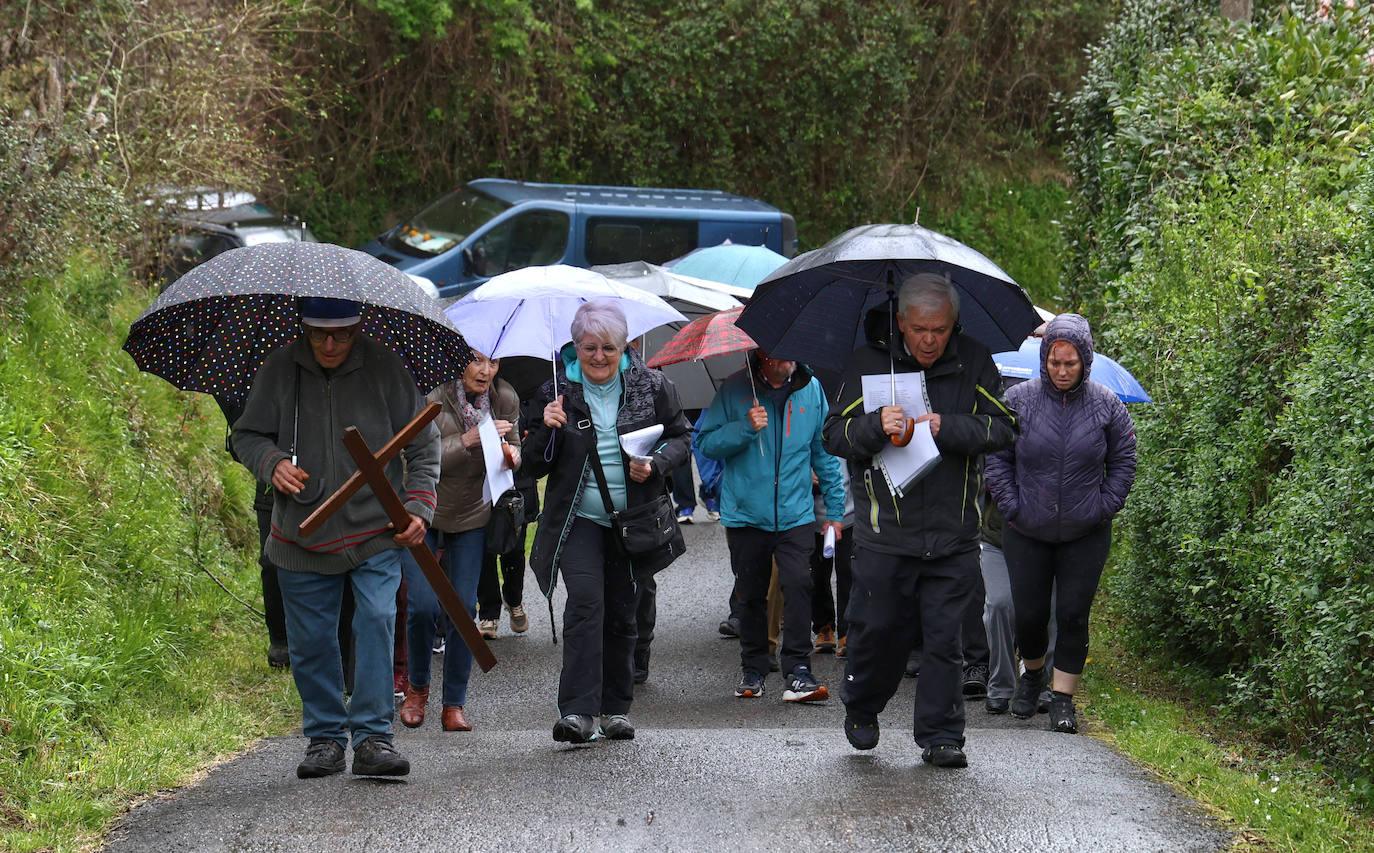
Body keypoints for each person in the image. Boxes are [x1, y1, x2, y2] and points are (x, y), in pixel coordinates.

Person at [232, 296, 439, 779]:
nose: (330, 344)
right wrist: (273, 463)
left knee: (376, 620)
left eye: (341, 334)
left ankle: (372, 739)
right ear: (303, 328)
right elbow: (246, 435)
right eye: (319, 334)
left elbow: (423, 445)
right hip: (300, 533)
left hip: (375, 529)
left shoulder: (387, 367)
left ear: (357, 328)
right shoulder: (280, 368)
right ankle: (325, 737)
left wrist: (418, 506)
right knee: (311, 641)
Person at [823, 272, 1017, 769]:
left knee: (945, 640)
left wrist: (945, 426)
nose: (930, 340)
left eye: (940, 329)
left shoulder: (974, 360)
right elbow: (834, 435)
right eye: (920, 329)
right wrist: (873, 425)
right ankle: (863, 704)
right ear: (902, 324)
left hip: (953, 535)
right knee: (879, 634)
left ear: (953, 325)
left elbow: (1003, 427)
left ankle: (942, 734)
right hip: (886, 534)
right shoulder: (868, 363)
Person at [525, 301, 691, 744]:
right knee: (584, 603)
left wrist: (655, 464)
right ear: (574, 348)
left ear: (626, 348)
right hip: (578, 518)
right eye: (589, 347)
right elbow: (532, 467)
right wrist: (547, 428)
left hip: (633, 519)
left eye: (608, 348)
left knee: (622, 611)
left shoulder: (652, 387)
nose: (598, 357)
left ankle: (616, 708)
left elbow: (682, 438)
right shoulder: (556, 392)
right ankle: (578, 711)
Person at [985, 313, 1137, 734]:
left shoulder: (1107, 404)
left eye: (1071, 363)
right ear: (1044, 360)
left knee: (1072, 614)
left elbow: (1124, 460)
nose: (1063, 371)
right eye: (1055, 363)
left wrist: (1104, 505)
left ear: (1085, 360)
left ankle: (1063, 700)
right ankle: (1032, 673)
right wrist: (1013, 506)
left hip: (1084, 532)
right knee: (1029, 615)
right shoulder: (1018, 401)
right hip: (1026, 529)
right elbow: (996, 457)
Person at [698, 350, 844, 703]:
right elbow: (705, 444)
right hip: (746, 514)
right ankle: (754, 667)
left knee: (799, 585)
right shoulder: (734, 389)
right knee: (751, 595)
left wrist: (836, 511)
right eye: (779, 355)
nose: (789, 359)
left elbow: (822, 452)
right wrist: (744, 428)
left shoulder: (811, 389)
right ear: (760, 356)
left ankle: (798, 669)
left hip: (795, 514)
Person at [398, 351, 520, 733]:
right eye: (477, 361)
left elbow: (515, 445)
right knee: (420, 606)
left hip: (472, 513)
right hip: (425, 507)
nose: (486, 371)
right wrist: (467, 440)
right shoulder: (431, 395)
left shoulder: (505, 398)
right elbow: (410, 457)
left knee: (464, 608)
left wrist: (512, 455)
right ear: (457, 360)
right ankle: (418, 689)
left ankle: (454, 704)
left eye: (494, 363)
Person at [213, 396, 290, 669]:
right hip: (272, 477)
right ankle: (280, 641)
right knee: (271, 560)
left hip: (323, 477)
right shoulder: (264, 370)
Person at [476, 394, 541, 639]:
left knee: (513, 548)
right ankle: (488, 613)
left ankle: (514, 600)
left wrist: (524, 442)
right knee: (484, 550)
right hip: (479, 488)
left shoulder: (518, 394)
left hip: (516, 485)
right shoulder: (467, 400)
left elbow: (538, 437)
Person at [810, 468, 854, 657]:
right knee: (817, 574)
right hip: (811, 516)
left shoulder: (846, 437)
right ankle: (824, 626)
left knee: (848, 572)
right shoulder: (805, 437)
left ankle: (847, 631)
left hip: (849, 514)